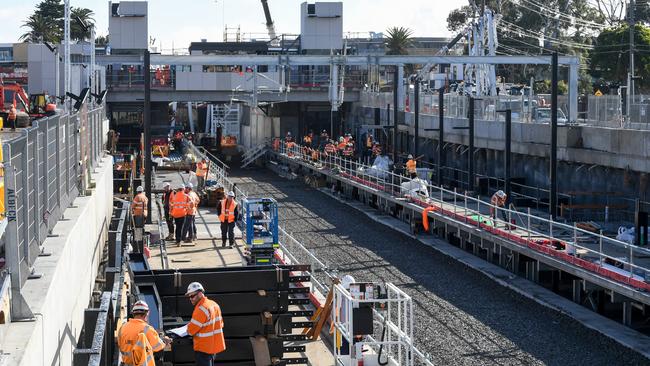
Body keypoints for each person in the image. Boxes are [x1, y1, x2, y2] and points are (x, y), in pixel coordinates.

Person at [117, 300, 170, 366]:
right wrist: (165, 340)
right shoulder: (147, 329)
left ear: (133, 313)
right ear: (146, 313)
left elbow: (120, 344)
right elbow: (158, 346)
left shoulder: (122, 328)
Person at [185, 282, 226, 366]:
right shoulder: (214, 304)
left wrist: (189, 326)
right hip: (212, 348)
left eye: (192, 296)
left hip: (203, 349)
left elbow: (190, 331)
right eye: (189, 297)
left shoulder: (201, 309)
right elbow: (221, 324)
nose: (190, 299)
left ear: (200, 294)